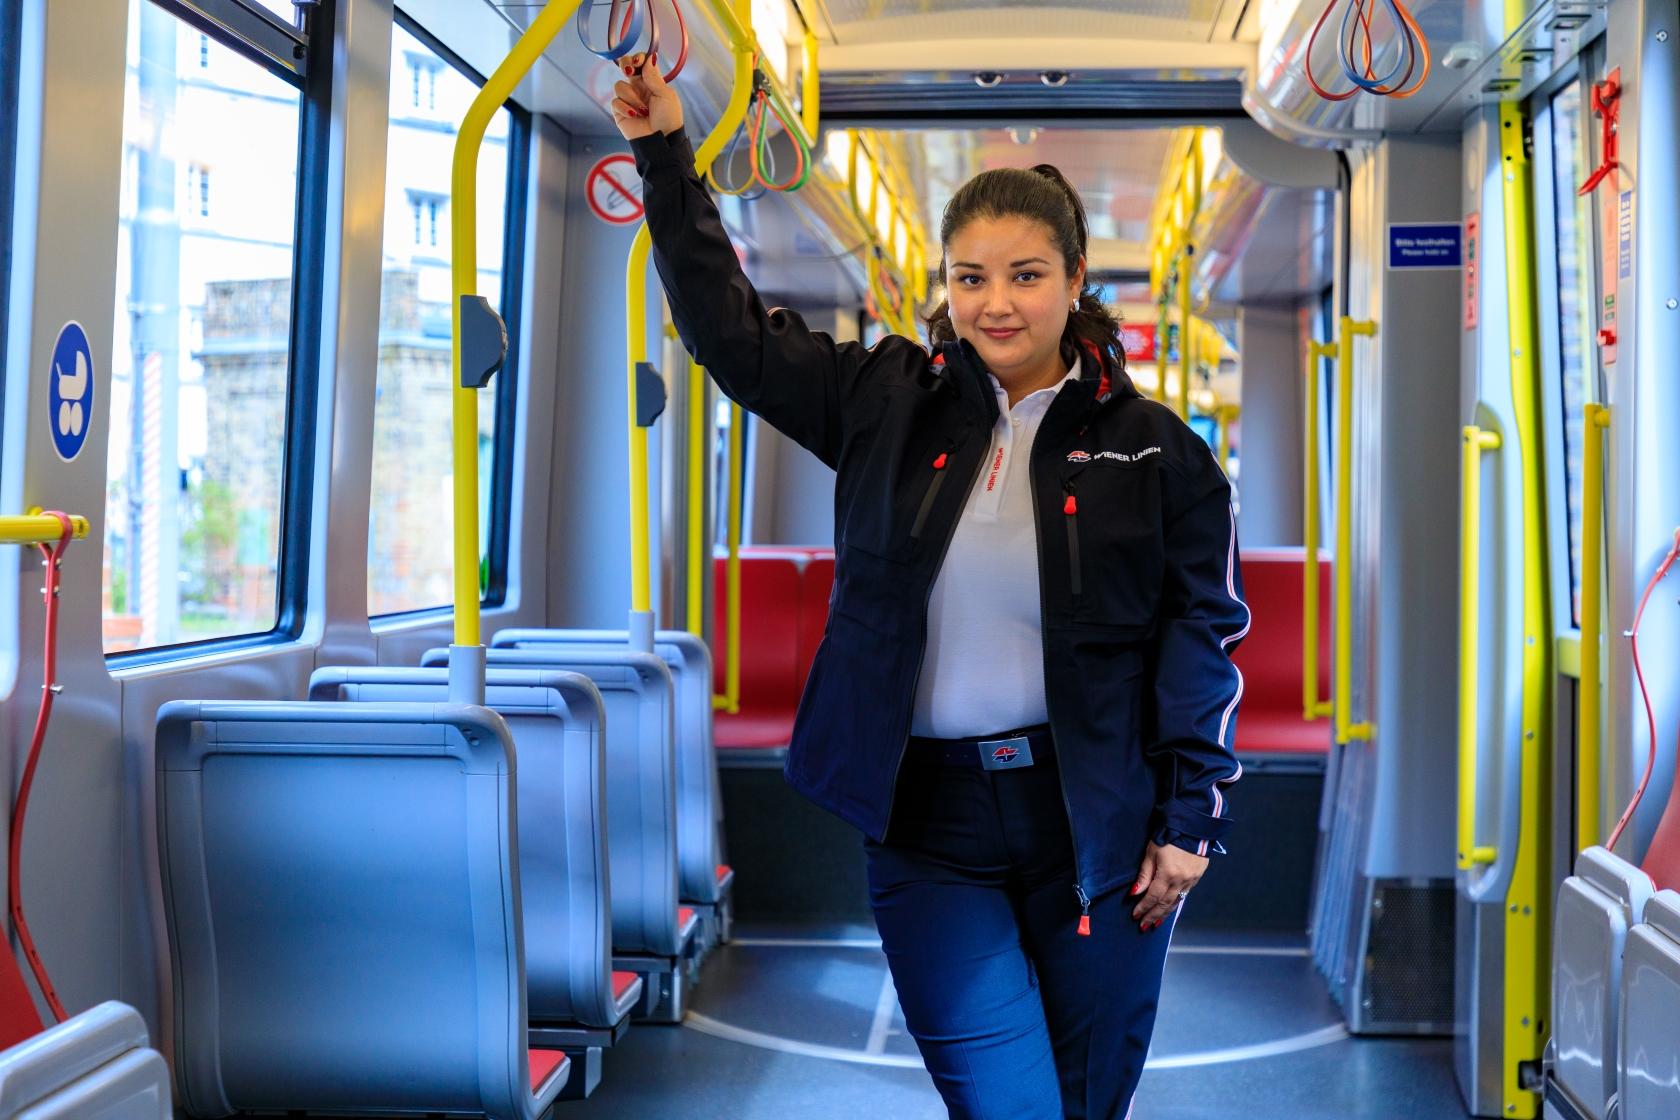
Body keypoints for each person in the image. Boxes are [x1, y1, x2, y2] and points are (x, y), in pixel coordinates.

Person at [614, 66, 1248, 1120]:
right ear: (943, 285)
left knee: (1086, 1102)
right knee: (1006, 1104)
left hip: (1093, 821)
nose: (995, 303)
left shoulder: (1157, 454)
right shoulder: (881, 400)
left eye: (1027, 275)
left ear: (1077, 278)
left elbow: (1201, 637)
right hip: (926, 820)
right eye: (970, 278)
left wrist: (1190, 822)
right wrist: (665, 156)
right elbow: (730, 339)